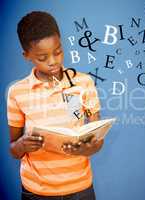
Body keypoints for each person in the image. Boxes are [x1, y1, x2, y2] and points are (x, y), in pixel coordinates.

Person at [7, 11, 103, 200]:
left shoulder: (83, 83)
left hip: (80, 189)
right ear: (26, 55)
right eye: (42, 57)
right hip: (36, 192)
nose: (53, 61)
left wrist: (87, 148)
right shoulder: (17, 92)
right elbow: (14, 149)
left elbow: (97, 141)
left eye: (58, 52)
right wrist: (22, 145)